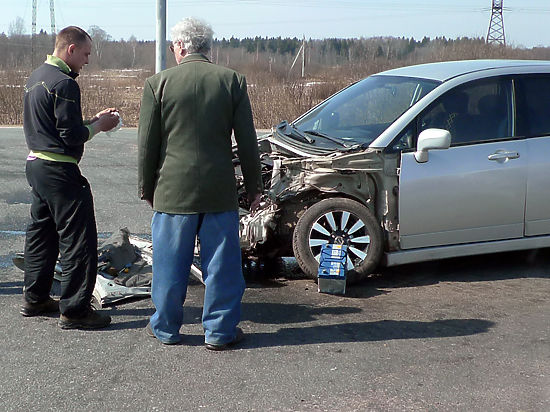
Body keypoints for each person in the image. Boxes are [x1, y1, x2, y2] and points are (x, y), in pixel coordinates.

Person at [138, 17, 262, 348]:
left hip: (172, 190)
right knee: (222, 265)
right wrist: (254, 188)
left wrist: (146, 189)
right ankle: (220, 332)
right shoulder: (232, 81)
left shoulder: (157, 83)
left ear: (179, 46)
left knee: (169, 265)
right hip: (218, 189)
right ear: (208, 47)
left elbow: (147, 145)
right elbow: (248, 141)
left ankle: (165, 328)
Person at [21, 26, 119, 329]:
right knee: (78, 240)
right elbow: (70, 135)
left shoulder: (35, 77)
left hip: (36, 164)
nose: (87, 60)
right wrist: (99, 126)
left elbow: (53, 129)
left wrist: (91, 121)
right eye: (86, 53)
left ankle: (35, 298)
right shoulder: (64, 84)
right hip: (59, 171)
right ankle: (75, 310)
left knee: (42, 234)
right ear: (71, 49)